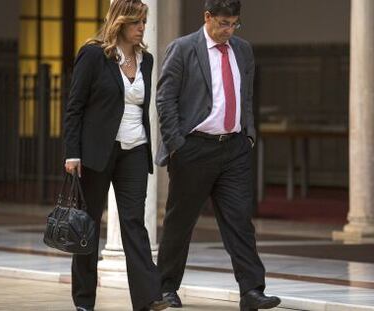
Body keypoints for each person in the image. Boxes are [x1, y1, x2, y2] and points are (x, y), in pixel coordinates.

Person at [155, 0, 281, 310]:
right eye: (223, 23)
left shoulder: (243, 49)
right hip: (193, 148)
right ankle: (165, 287)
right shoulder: (183, 48)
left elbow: (246, 95)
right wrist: (176, 145)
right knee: (180, 221)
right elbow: (165, 98)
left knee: (239, 220)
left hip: (234, 148)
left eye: (234, 24)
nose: (228, 30)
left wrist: (248, 134)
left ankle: (252, 291)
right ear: (208, 17)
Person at [63, 0, 169, 310]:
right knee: (88, 225)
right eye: (136, 22)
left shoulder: (145, 59)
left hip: (134, 150)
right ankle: (84, 301)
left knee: (134, 222)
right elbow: (74, 107)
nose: (142, 28)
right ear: (120, 22)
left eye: (144, 22)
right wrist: (72, 152)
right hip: (96, 153)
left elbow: (140, 106)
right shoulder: (95, 55)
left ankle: (148, 297)